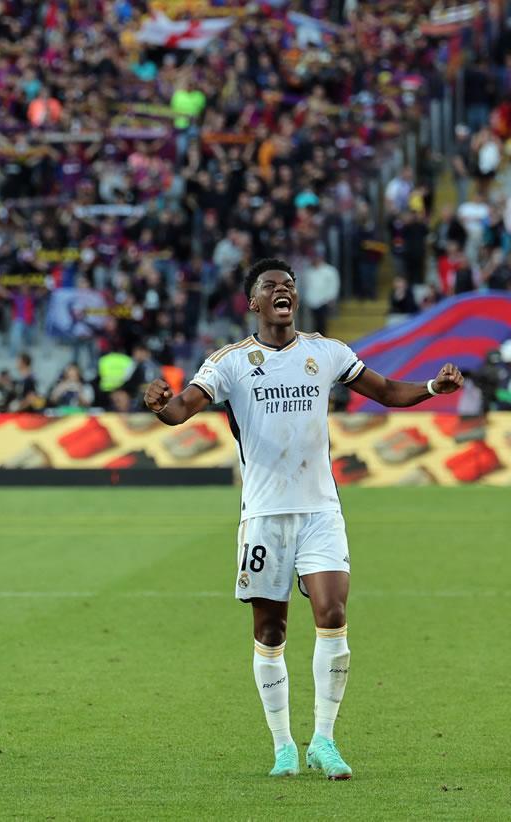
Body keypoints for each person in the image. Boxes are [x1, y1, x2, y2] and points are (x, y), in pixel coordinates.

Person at [143, 258, 464, 781]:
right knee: (270, 630)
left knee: (333, 613)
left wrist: (431, 388)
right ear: (254, 302)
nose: (283, 291)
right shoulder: (230, 362)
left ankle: (325, 740)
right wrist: (160, 405)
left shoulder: (326, 352)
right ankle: (283, 746)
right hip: (265, 515)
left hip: (321, 510)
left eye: (288, 286)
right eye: (271, 286)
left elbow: (383, 391)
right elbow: (183, 409)